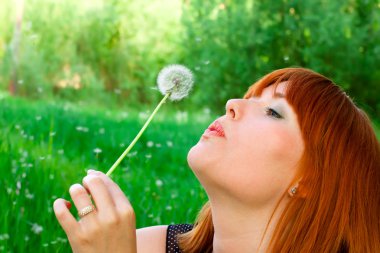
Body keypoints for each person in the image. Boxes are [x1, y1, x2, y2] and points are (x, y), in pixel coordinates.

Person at [53, 67, 380, 253]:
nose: (232, 103)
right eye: (248, 95)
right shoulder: (148, 246)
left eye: (272, 111)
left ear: (309, 178)